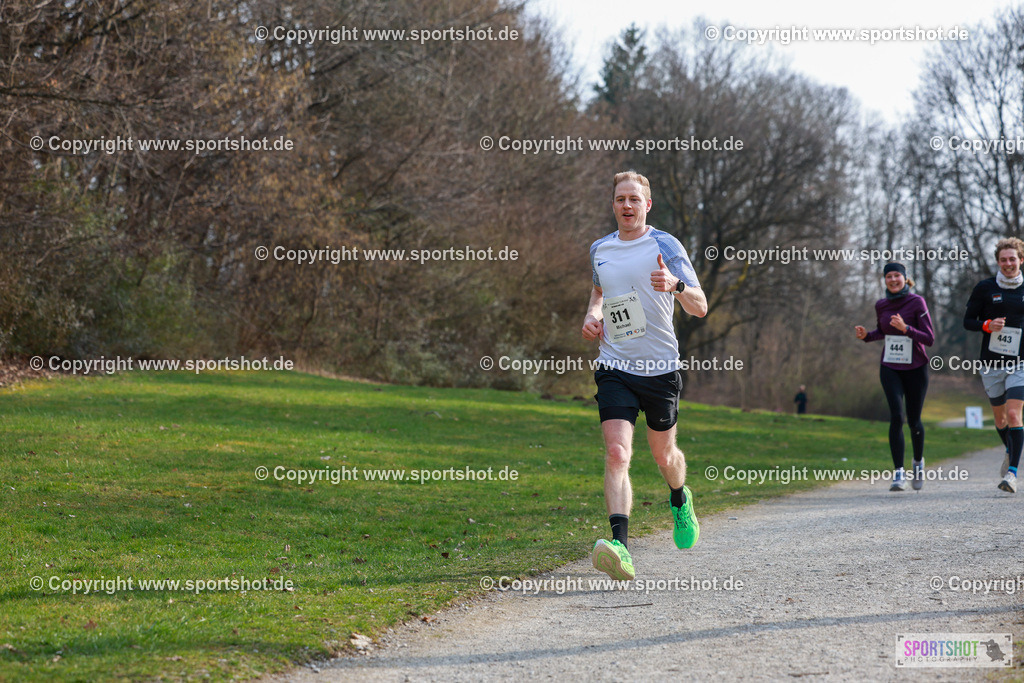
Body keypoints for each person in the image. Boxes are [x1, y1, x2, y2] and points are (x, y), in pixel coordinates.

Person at [581, 171, 708, 581]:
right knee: (617, 453)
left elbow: (700, 306)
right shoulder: (600, 248)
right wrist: (592, 315)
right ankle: (621, 545)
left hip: (660, 369)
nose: (627, 206)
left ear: (647, 205)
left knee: (664, 456)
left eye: (634, 199)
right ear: (613, 204)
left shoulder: (665, 245)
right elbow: (600, 292)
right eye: (620, 199)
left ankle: (679, 497)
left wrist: (676, 284)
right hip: (615, 365)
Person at [855, 262, 935, 491]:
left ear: (904, 278)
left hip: (916, 367)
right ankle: (898, 473)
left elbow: (929, 338)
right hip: (890, 366)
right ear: (885, 280)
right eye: (888, 276)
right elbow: (882, 332)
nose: (892, 280)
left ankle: (918, 462)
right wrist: (866, 336)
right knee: (897, 416)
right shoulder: (881, 304)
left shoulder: (917, 302)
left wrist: (906, 329)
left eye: (896, 276)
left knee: (914, 419)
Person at [963, 237, 1024, 493]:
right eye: (1003, 260)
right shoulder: (985, 288)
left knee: (1013, 415)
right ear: (997, 262)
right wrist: (987, 325)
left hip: (1020, 363)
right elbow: (968, 321)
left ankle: (1012, 474)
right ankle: (1010, 449)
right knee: (1000, 420)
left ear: (1021, 259)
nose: (1008, 264)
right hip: (991, 363)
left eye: (1012, 259)